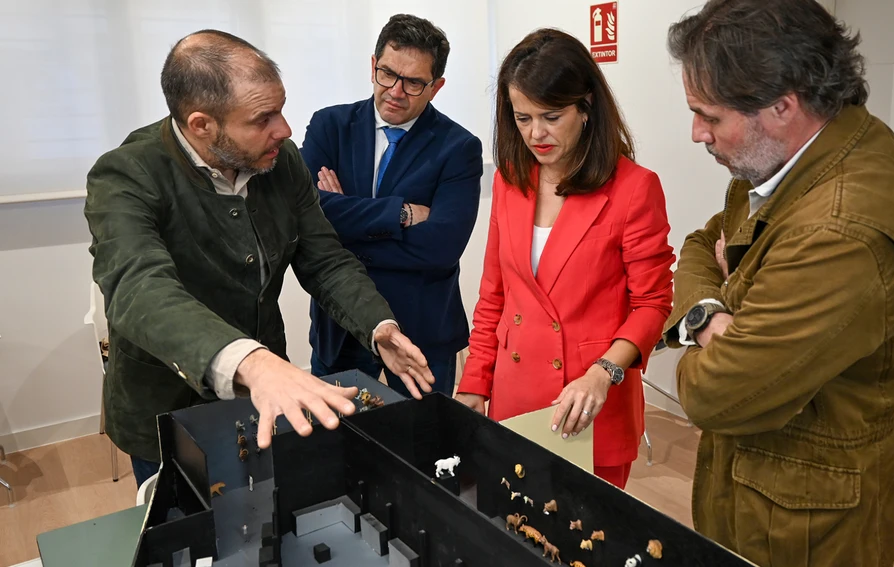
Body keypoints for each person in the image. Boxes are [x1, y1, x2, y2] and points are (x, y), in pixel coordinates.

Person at [84, 30, 435, 489]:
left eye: (281, 108)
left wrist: (379, 327)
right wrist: (255, 363)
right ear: (201, 125)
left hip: (261, 396)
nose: (284, 129)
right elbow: (140, 288)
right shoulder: (126, 174)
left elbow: (325, 259)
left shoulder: (281, 160)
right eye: (262, 118)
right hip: (167, 410)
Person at [662, 1, 894, 565]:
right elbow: (699, 244)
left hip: (808, 516)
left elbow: (713, 393)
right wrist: (716, 318)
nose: (696, 134)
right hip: (777, 482)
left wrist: (706, 322)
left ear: (782, 106)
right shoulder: (793, 157)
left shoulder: (840, 230)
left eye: (709, 116)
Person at [455, 29, 675, 489]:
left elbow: (652, 303)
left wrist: (605, 371)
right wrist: (475, 382)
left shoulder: (634, 188)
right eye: (523, 118)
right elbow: (494, 294)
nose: (537, 133)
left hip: (589, 401)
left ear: (586, 107)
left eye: (552, 116)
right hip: (514, 396)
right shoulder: (510, 181)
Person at [300, 14, 483, 398]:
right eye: (387, 73)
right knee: (336, 446)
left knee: (424, 446)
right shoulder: (329, 127)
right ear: (373, 65)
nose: (396, 91)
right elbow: (305, 217)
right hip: (341, 323)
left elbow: (441, 247)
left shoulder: (459, 148)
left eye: (414, 82)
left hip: (421, 328)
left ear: (436, 87)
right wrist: (398, 214)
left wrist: (344, 219)